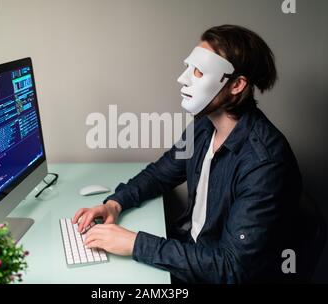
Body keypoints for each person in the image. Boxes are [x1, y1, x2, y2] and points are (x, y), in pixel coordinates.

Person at [73, 24, 302, 283]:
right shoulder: (206, 125)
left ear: (237, 85)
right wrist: (114, 203)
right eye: (188, 67)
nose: (183, 78)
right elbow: (163, 172)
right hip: (190, 252)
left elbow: (233, 267)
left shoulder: (264, 164)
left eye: (199, 71)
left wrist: (136, 244)